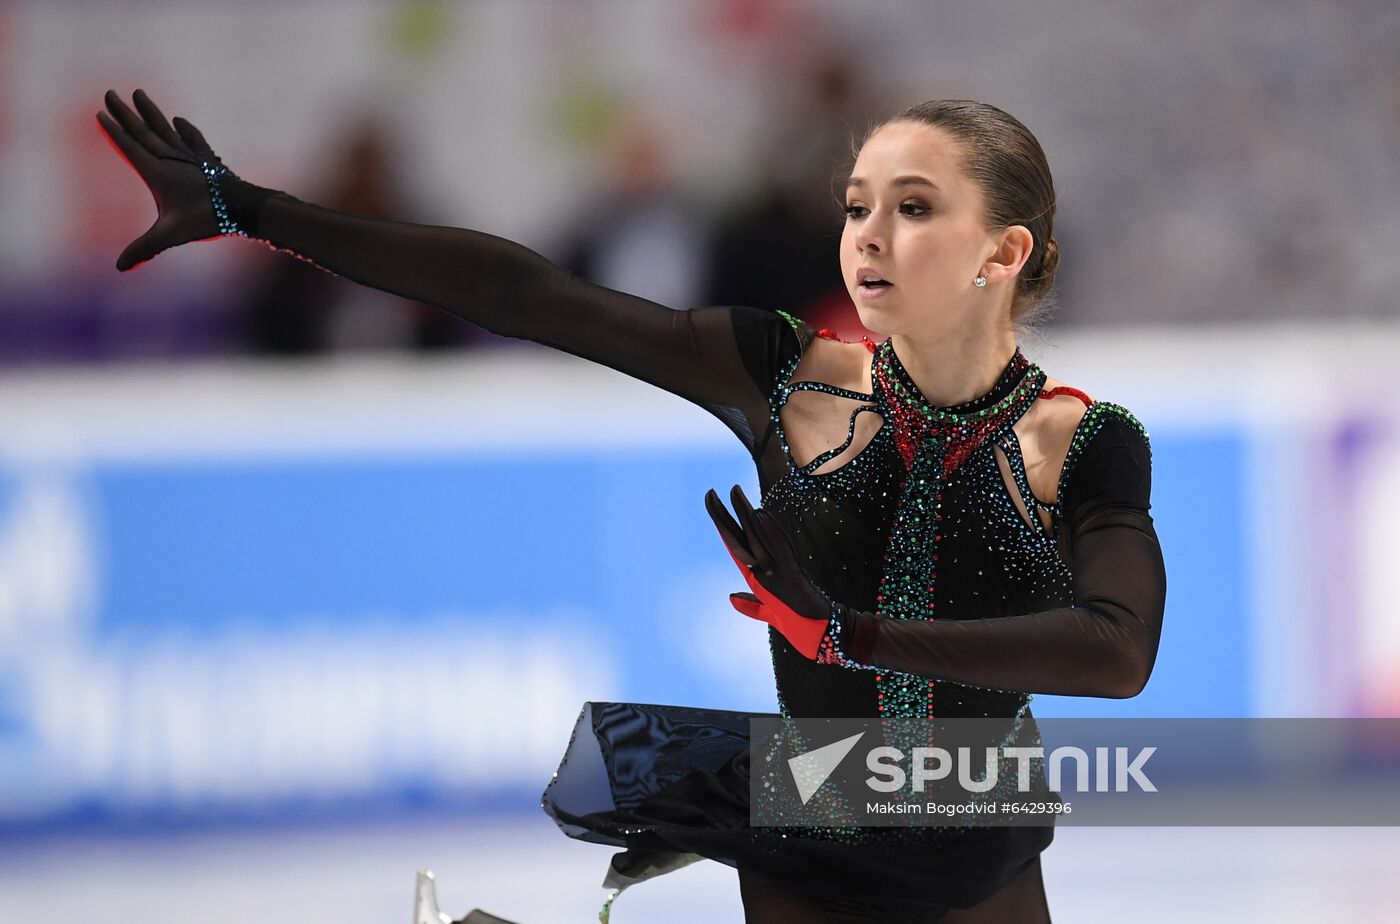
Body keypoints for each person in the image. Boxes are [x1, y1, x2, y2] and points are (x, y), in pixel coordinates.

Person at [98, 89, 1166, 923]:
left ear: (1003, 252)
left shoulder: (1078, 443)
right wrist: (255, 210)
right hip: (820, 810)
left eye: (912, 207)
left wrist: (848, 635)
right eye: (857, 207)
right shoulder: (785, 377)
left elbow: (1117, 652)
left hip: (980, 815)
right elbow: (527, 295)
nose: (867, 235)